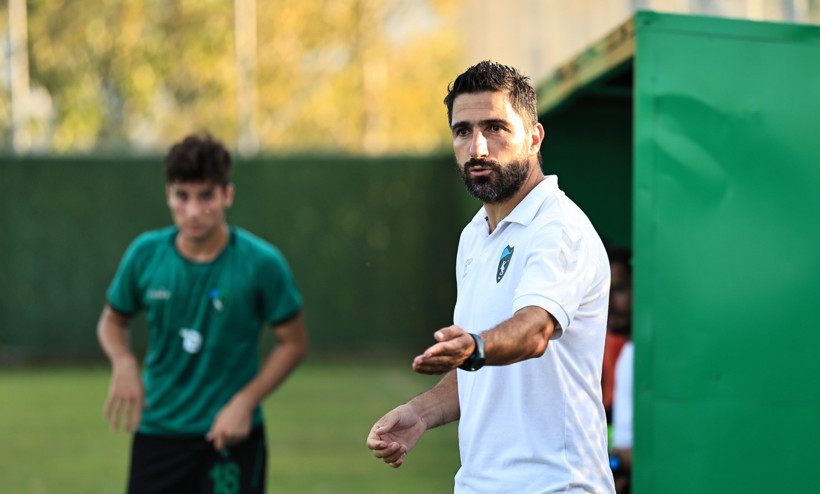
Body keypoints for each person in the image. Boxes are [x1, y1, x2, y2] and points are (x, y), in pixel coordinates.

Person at [366, 61, 616, 493]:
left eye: (495, 128)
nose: (477, 146)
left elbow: (534, 331)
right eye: (463, 131)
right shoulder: (474, 236)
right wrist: (421, 413)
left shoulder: (559, 228)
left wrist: (476, 346)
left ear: (534, 138)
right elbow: (483, 373)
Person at [97, 133, 308, 494]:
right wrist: (124, 362)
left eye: (206, 195)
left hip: (232, 437)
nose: (193, 211)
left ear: (227, 194)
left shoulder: (262, 263)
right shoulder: (145, 255)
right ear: (168, 195)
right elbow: (112, 321)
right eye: (182, 195)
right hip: (158, 435)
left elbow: (294, 342)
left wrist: (244, 402)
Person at [607, 246, 633, 494]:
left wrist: (614, 463)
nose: (609, 304)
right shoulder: (627, 353)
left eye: (619, 290)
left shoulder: (641, 356)